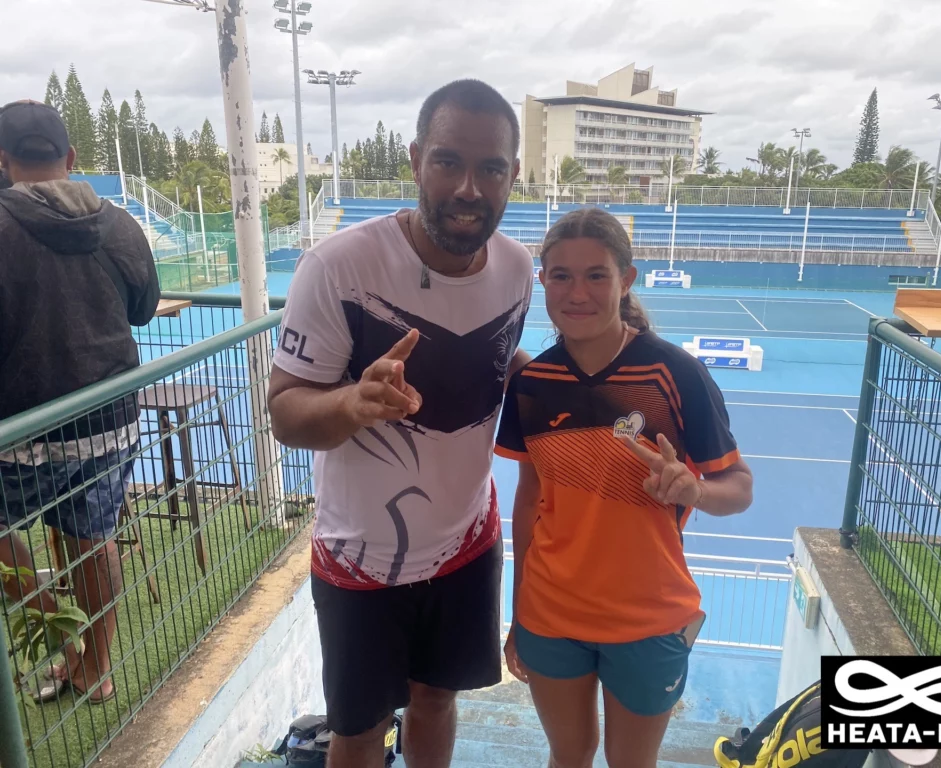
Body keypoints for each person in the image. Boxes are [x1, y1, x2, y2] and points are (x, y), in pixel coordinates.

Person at [267, 79, 534, 768]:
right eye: (449, 161)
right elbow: (286, 413)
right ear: (416, 160)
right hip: (360, 560)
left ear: (513, 173)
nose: (469, 187)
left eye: (491, 167)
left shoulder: (517, 269)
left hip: (467, 545)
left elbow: (496, 363)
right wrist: (354, 403)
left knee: (438, 701)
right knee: (358, 732)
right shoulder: (337, 268)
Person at [497, 207, 754, 768]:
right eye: (559, 275)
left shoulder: (674, 373)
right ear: (542, 280)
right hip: (550, 614)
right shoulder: (533, 384)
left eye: (596, 274)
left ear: (626, 279)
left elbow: (738, 487)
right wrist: (518, 609)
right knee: (569, 755)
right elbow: (528, 499)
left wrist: (695, 491)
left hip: (647, 618)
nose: (576, 291)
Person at [0, 100, 160, 703]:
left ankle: (67, 647)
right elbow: (143, 310)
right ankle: (96, 667)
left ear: (3, 160)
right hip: (109, 419)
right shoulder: (118, 224)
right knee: (92, 537)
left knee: (29, 540)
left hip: (19, 430)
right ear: (70, 158)